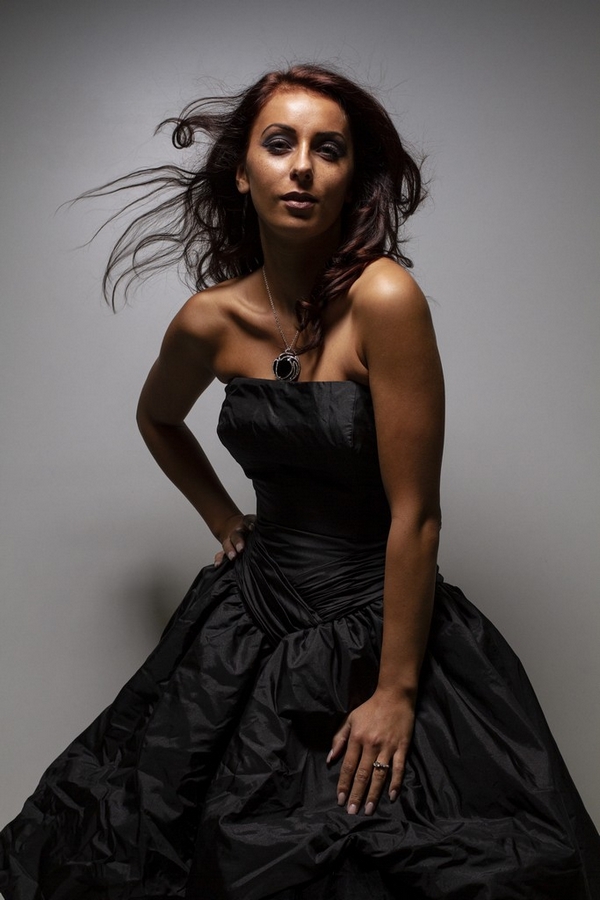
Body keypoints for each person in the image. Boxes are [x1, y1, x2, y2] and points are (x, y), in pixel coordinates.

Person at [1, 63, 599, 900]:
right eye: (280, 144)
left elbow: (418, 517)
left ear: (352, 178)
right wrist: (224, 519)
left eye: (329, 149)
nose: (303, 167)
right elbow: (158, 419)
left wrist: (395, 691)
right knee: (160, 841)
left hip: (377, 621)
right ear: (243, 173)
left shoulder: (385, 297)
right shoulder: (210, 319)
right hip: (249, 616)